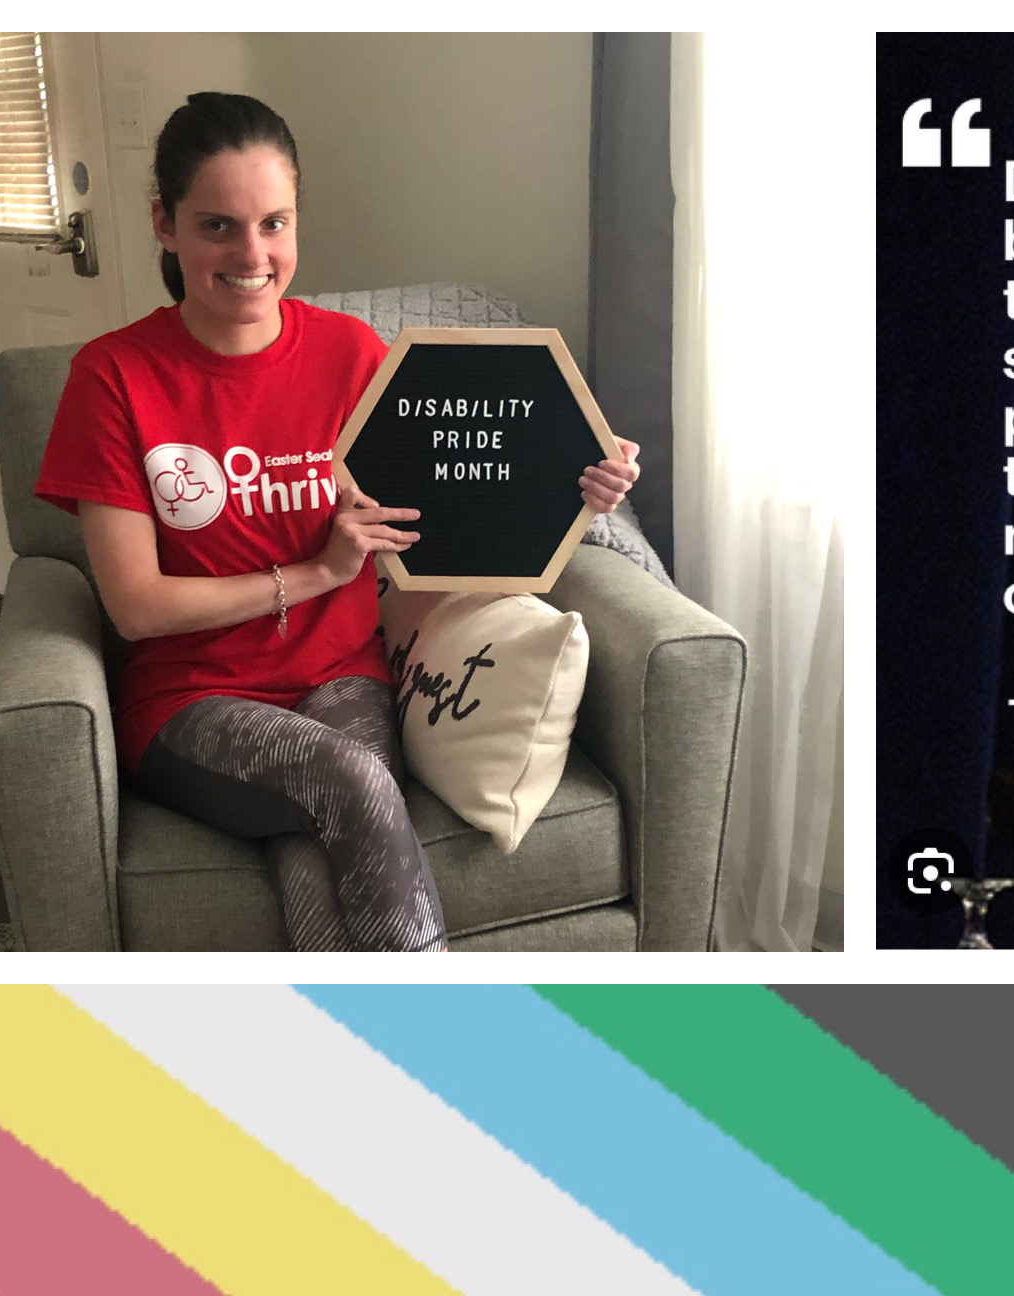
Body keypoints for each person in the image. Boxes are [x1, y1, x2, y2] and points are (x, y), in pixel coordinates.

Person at [35, 93, 641, 952]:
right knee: (350, 785)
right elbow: (135, 606)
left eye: (273, 223)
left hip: (342, 674)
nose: (253, 255)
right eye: (218, 226)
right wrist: (318, 573)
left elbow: (458, 501)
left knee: (309, 839)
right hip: (190, 699)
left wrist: (574, 483)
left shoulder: (353, 354)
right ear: (164, 225)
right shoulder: (114, 378)